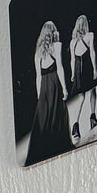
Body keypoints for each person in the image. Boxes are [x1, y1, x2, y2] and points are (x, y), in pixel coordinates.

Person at [25, 19, 71, 165]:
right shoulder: (57, 46)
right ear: (53, 32)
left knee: (45, 118)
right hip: (54, 83)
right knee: (58, 113)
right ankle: (58, 145)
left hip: (44, 87)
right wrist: (65, 88)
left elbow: (38, 76)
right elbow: (60, 68)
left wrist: (39, 95)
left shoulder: (37, 53)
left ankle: (46, 149)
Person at [68, 13, 96, 145]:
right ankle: (93, 117)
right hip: (87, 66)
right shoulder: (90, 35)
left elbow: (72, 60)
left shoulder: (72, 42)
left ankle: (75, 125)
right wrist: (95, 68)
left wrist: (73, 74)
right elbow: (92, 53)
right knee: (92, 91)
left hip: (78, 69)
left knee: (81, 97)